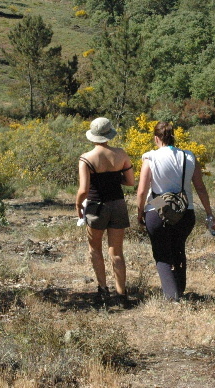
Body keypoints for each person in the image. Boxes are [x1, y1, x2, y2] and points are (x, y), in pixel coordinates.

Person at [136, 121, 215, 301]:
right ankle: (179, 289)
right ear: (174, 137)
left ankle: (172, 297)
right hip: (185, 209)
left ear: (156, 138)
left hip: (157, 207)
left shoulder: (150, 157)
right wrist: (210, 213)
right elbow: (200, 188)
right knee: (178, 248)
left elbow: (142, 190)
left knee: (162, 252)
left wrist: (140, 212)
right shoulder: (189, 157)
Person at [76, 117, 135, 305]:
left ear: (93, 136)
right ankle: (122, 293)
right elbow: (130, 181)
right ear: (109, 134)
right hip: (118, 204)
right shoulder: (121, 154)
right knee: (117, 251)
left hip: (96, 206)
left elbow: (84, 190)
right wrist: (113, 179)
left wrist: (78, 206)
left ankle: (103, 290)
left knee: (95, 249)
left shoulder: (86, 158)